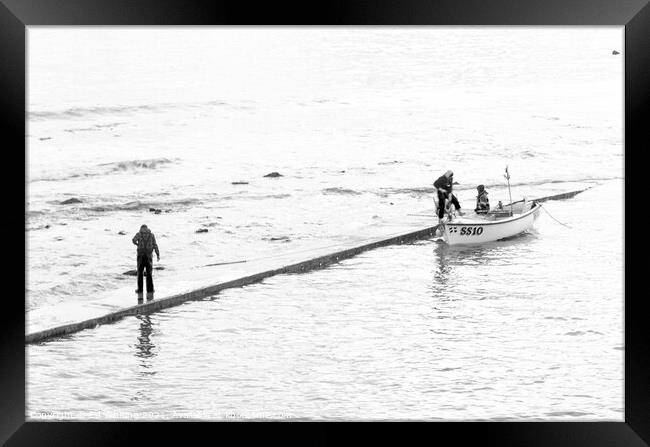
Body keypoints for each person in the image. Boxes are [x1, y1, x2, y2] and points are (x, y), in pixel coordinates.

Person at [132, 224, 160, 295]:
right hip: (148, 256)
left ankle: (140, 290)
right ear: (147, 228)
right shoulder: (151, 235)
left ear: (141, 228)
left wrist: (137, 244)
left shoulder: (139, 234)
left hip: (141, 256)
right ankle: (150, 289)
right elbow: (155, 245)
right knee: (149, 273)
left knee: (140, 273)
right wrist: (158, 255)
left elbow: (133, 240)